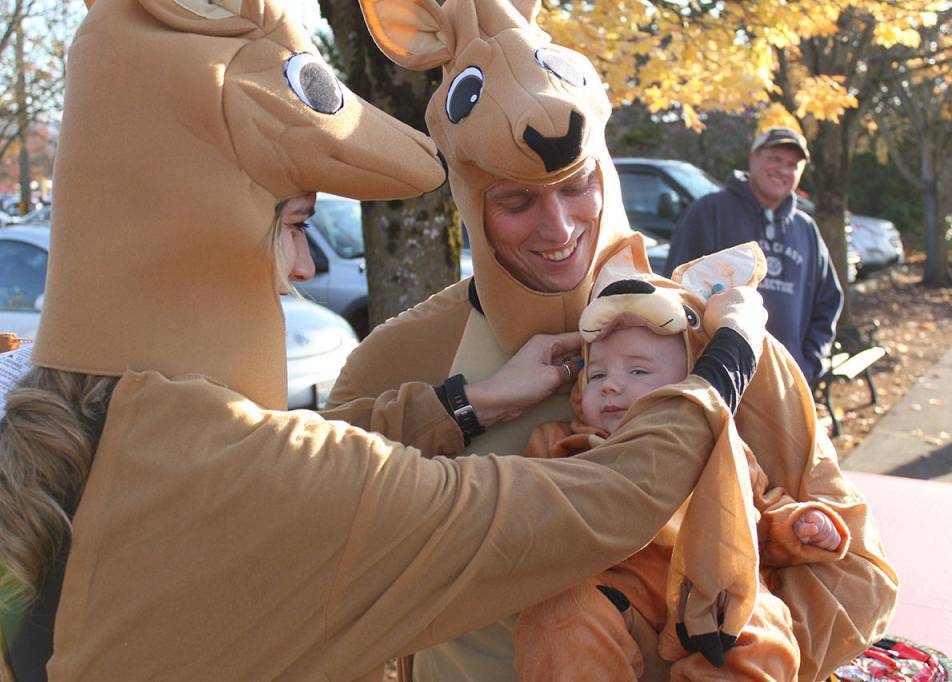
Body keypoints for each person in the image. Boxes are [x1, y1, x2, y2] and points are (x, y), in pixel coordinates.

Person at [0, 0, 771, 680]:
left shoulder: (85, 433)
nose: (304, 268)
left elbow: (314, 455)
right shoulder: (241, 465)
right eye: (297, 226)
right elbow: (599, 501)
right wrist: (724, 362)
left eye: (576, 189)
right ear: (203, 226)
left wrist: (468, 403)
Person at [342, 2, 897, 681]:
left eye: (578, 188)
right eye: (515, 202)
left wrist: (736, 644)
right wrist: (468, 405)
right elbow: (320, 547)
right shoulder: (400, 357)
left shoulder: (713, 334)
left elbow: (856, 568)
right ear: (466, 194)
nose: (558, 228)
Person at [512, 244, 853, 681]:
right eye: (598, 375)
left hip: (712, 594)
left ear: (688, 386)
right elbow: (524, 511)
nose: (613, 386)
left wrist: (800, 525)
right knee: (560, 615)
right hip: (616, 591)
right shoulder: (558, 442)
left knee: (762, 626)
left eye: (638, 372)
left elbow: (758, 516)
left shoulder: (720, 450)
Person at [663, 126, 844, 384]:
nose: (783, 169)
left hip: (786, 383)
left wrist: (810, 363)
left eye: (793, 165)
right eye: (775, 159)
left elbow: (828, 302)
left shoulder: (806, 229)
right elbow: (675, 291)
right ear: (753, 158)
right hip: (719, 380)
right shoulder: (708, 212)